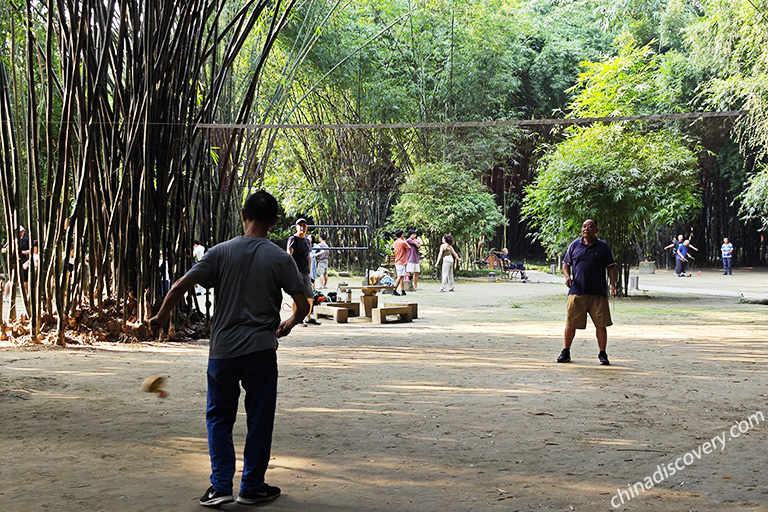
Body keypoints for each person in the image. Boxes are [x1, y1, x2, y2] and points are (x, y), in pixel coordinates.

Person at [148, 190, 309, 507]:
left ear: (242, 215)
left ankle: (220, 485)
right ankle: (252, 486)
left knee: (219, 418)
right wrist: (288, 323)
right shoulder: (280, 258)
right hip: (261, 351)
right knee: (259, 419)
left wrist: (161, 316)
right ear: (274, 222)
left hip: (222, 352)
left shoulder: (220, 252)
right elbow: (303, 304)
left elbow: (182, 284)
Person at [556, 219, 618, 365]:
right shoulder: (574, 245)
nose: (586, 229)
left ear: (596, 230)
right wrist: (567, 277)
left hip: (598, 292)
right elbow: (566, 264)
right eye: (584, 226)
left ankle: (603, 353)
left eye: (590, 227)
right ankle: (566, 351)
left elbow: (611, 267)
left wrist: (613, 285)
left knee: (601, 324)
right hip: (577, 291)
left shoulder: (603, 247)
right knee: (570, 323)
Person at [287, 219, 320, 325]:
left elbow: (308, 257)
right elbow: (289, 255)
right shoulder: (293, 239)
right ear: (296, 227)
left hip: (305, 272)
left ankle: (308, 316)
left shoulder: (307, 240)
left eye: (304, 225)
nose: (302, 227)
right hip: (296, 271)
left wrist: (310, 272)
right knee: (297, 295)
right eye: (300, 225)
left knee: (310, 295)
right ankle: (296, 319)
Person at [2, 226, 30, 302]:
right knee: (11, 279)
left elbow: (30, 251)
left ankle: (27, 296)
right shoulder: (12, 240)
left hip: (23, 262)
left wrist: (22, 252)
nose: (22, 233)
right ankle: (6, 295)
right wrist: (9, 248)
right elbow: (3, 250)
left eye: (22, 231)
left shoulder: (26, 240)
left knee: (25, 281)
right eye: (20, 231)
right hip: (14, 263)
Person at [392, 230, 410, 296]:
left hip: (398, 261)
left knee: (402, 276)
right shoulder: (402, 242)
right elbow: (409, 248)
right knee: (400, 276)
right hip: (401, 261)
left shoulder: (395, 242)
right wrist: (405, 240)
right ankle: (394, 290)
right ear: (402, 235)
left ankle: (402, 290)